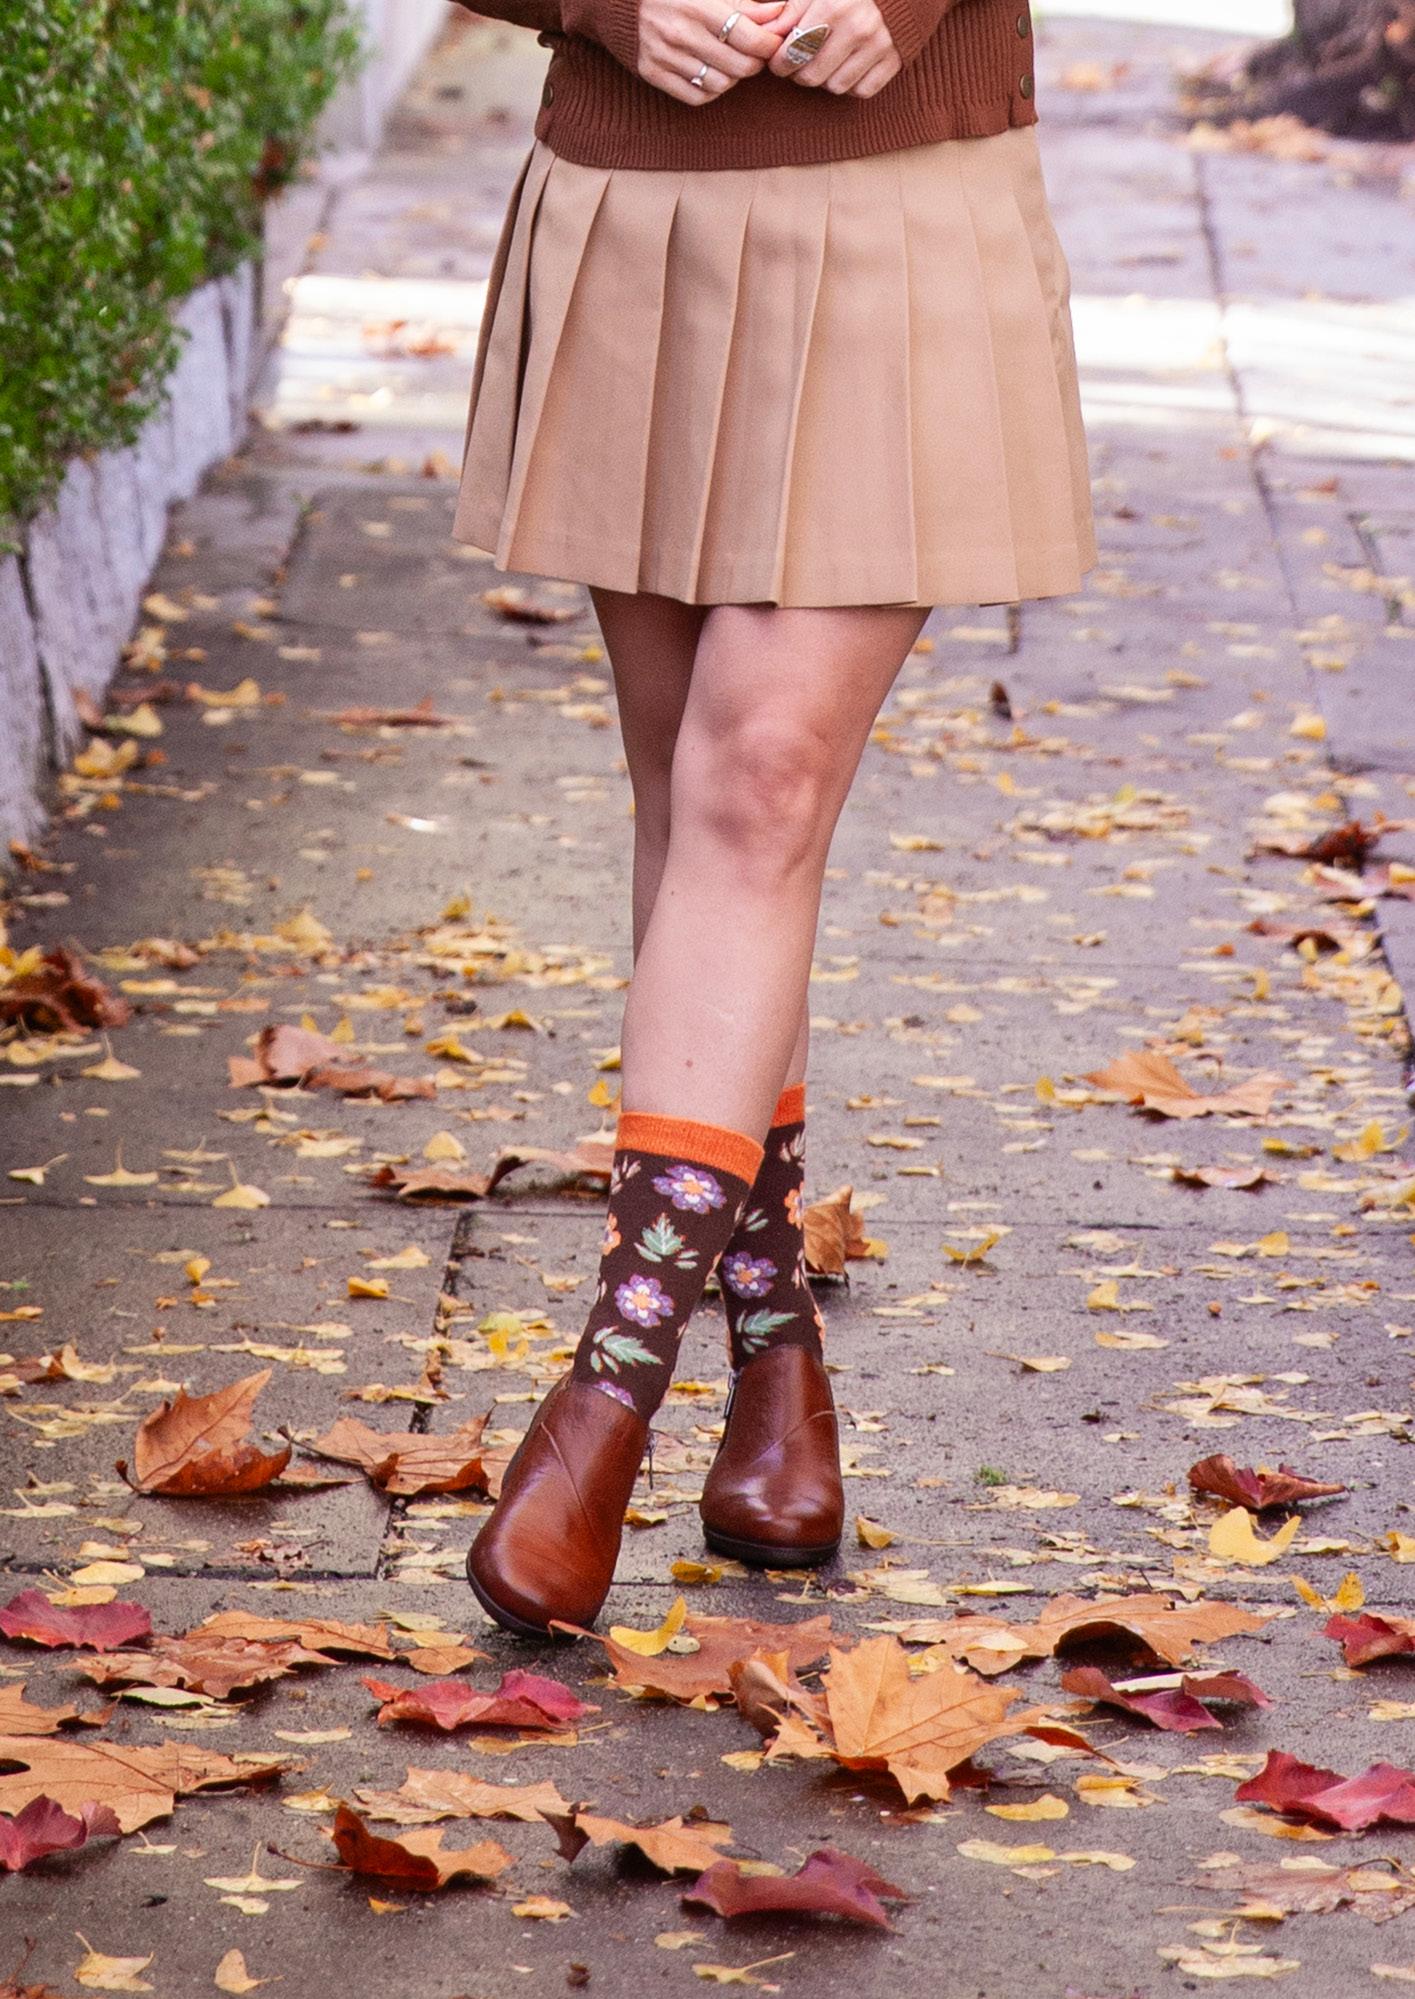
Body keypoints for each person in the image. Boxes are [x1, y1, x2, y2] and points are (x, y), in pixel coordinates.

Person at [451, 0, 1095, 1638]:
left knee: (759, 774)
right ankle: (775, 1351)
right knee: (695, 806)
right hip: (640, 205)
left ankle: (608, 1392)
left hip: (903, 187)